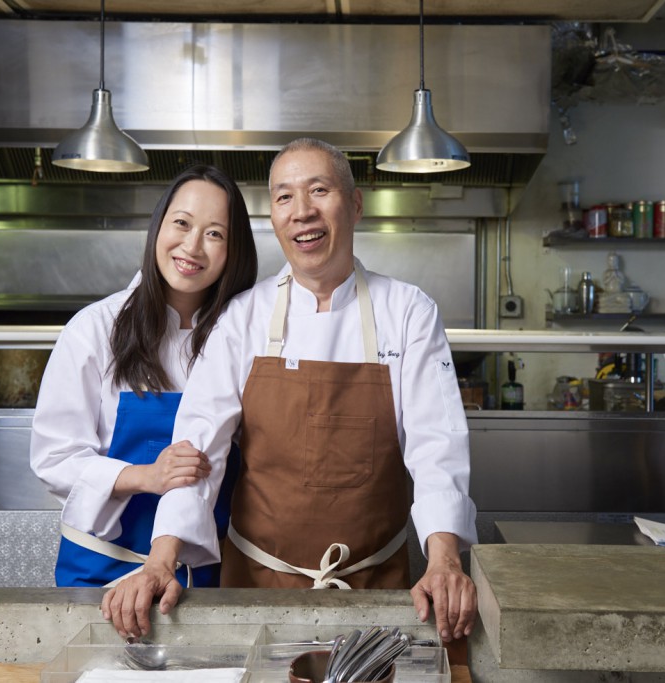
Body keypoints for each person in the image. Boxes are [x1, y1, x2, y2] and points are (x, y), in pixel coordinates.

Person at [102, 138, 478, 642]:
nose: (302, 211)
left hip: (375, 588)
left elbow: (437, 445)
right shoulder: (243, 317)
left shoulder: (408, 312)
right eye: (284, 197)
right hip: (254, 588)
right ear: (274, 217)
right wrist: (160, 559)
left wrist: (444, 560)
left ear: (355, 204)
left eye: (319, 190)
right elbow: (198, 448)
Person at [30, 164, 258, 588]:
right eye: (182, 223)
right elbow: (54, 459)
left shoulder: (242, 339)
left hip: (204, 578)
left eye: (214, 233)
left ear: (234, 250)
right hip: (101, 573)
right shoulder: (95, 328)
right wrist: (146, 476)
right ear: (158, 227)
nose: (192, 246)